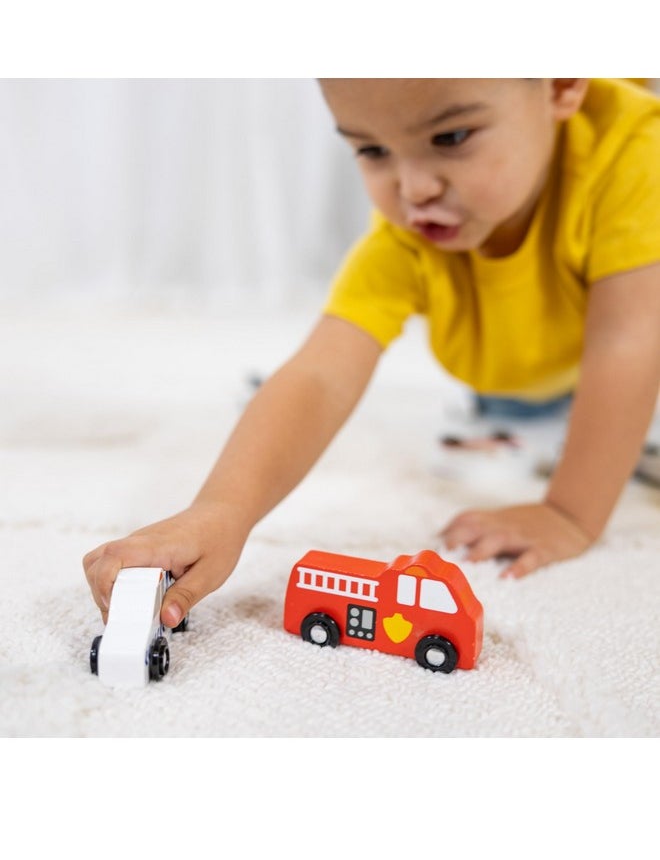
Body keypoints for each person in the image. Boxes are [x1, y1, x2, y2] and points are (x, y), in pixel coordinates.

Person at [84, 79, 660, 628]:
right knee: (522, 415)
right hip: (519, 369)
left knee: (627, 404)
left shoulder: (634, 160)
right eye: (373, 149)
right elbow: (321, 373)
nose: (413, 190)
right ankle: (527, 416)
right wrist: (221, 510)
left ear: (561, 85)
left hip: (633, 327)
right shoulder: (407, 234)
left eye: (451, 138)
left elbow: (628, 344)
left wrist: (569, 514)